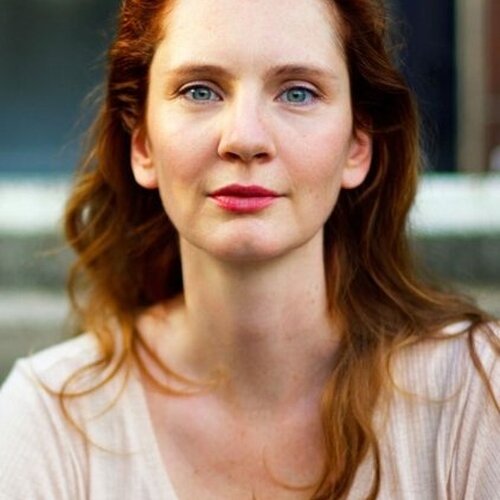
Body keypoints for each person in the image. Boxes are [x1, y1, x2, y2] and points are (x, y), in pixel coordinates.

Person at [0, 0, 498, 498]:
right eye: (200, 90)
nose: (244, 139)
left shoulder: (475, 395)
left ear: (357, 145)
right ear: (143, 143)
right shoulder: (48, 421)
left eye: (298, 92)